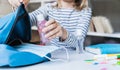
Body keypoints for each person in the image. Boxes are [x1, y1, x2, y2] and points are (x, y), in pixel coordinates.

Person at [8, 0, 92, 51]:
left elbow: (79, 43)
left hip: (74, 58)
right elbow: (25, 22)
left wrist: (63, 33)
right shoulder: (48, 8)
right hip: (51, 56)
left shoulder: (85, 11)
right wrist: (19, 8)